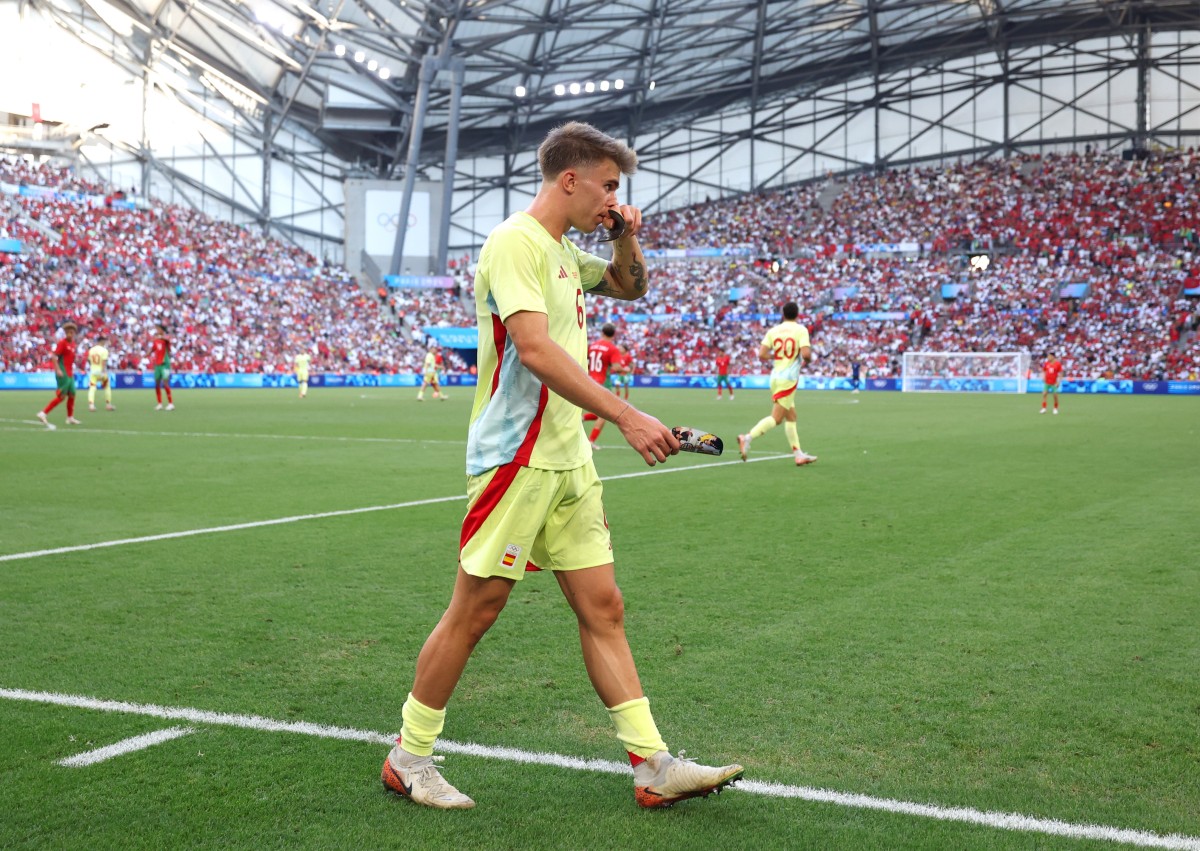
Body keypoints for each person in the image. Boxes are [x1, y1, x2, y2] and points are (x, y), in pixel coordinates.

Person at [380, 121, 744, 811]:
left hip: (569, 460)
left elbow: (627, 287)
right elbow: (537, 350)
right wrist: (627, 414)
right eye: (608, 186)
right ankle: (409, 755)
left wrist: (622, 234)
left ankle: (652, 763)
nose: (614, 197)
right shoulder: (515, 241)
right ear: (568, 179)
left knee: (603, 606)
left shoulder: (563, 250)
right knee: (477, 607)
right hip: (518, 459)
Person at [737, 302, 817, 466]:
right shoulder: (800, 330)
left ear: (783, 314)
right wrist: (806, 360)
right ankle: (747, 438)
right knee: (777, 418)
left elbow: (762, 354)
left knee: (791, 416)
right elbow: (806, 353)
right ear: (797, 314)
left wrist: (778, 357)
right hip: (788, 379)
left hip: (775, 377)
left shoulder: (773, 331)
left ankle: (798, 454)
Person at [36, 321, 83, 430]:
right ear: (66, 333)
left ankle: (70, 417)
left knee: (72, 394)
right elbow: (54, 356)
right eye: (68, 332)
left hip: (70, 372)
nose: (70, 334)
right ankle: (43, 413)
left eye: (72, 332)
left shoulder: (72, 344)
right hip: (63, 372)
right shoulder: (62, 343)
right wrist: (57, 369)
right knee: (62, 396)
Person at [582, 322, 620, 445]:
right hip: (602, 384)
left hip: (589, 381)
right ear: (613, 335)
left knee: (600, 413)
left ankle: (580, 419)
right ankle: (591, 441)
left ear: (602, 332)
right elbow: (617, 367)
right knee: (605, 414)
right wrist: (626, 369)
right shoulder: (612, 348)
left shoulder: (592, 346)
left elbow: (585, 362)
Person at [86, 333, 116, 412]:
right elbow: (104, 362)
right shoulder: (104, 350)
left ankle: (91, 405)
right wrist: (103, 371)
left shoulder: (91, 350)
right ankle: (108, 404)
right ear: (102, 341)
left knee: (92, 388)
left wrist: (92, 367)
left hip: (93, 371)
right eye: (104, 341)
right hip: (101, 371)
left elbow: (89, 360)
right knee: (107, 387)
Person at [149, 324, 175, 411]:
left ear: (162, 330)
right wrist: (146, 354)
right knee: (157, 384)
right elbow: (152, 349)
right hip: (158, 364)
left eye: (158, 329)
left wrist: (160, 337)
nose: (157, 330)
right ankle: (159, 403)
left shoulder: (165, 340)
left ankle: (170, 403)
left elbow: (167, 339)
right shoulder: (156, 341)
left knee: (165, 383)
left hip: (165, 364)